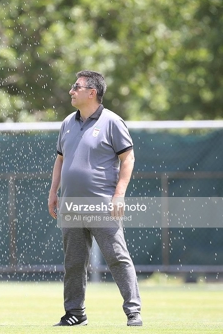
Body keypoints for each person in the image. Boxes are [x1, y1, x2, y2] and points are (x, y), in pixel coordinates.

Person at [47, 70, 142, 327]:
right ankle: (75, 313)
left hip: (102, 204)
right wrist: (53, 192)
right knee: (74, 262)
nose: (71, 91)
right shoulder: (67, 122)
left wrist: (119, 195)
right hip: (70, 205)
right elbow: (60, 160)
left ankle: (133, 311)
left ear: (92, 92)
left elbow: (128, 158)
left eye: (76, 87)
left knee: (117, 256)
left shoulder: (112, 122)